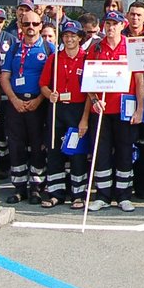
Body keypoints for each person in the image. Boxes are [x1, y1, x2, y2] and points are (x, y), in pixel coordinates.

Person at [80, 10, 144, 212]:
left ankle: (124, 195)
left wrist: (140, 108)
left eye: (114, 24)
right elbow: (88, 80)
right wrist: (94, 99)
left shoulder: (131, 46)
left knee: (125, 151)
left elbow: (139, 80)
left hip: (125, 108)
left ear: (122, 25)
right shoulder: (96, 47)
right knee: (101, 153)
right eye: (108, 23)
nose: (110, 28)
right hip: (101, 109)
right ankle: (103, 195)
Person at [0, 6, 55, 205]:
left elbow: (52, 80)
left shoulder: (49, 49)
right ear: (20, 26)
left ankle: (36, 187)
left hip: (38, 103)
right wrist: (14, 99)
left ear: (41, 25)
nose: (30, 27)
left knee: (38, 146)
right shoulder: (14, 47)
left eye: (34, 23)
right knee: (16, 146)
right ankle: (19, 187)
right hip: (16, 102)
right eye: (26, 24)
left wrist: (39, 99)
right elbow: (4, 77)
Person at [44, 21, 89, 209]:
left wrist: (84, 118)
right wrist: (49, 94)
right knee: (54, 150)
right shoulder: (54, 58)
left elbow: (90, 92)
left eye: (73, 35)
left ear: (80, 37)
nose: (69, 39)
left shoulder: (86, 59)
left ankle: (78, 194)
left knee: (77, 151)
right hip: (57, 108)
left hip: (77, 108)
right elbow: (43, 85)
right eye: (66, 35)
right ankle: (55, 193)